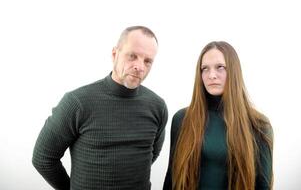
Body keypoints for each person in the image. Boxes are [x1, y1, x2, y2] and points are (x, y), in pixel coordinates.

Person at [32, 26, 168, 190]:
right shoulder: (77, 102)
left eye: (148, 61)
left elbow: (151, 154)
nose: (140, 66)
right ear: (114, 54)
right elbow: (43, 158)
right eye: (132, 56)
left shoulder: (157, 106)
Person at [163, 41, 273, 190]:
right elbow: (172, 179)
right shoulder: (182, 119)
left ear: (234, 71)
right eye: (205, 69)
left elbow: (263, 186)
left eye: (220, 67)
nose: (211, 75)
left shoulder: (259, 125)